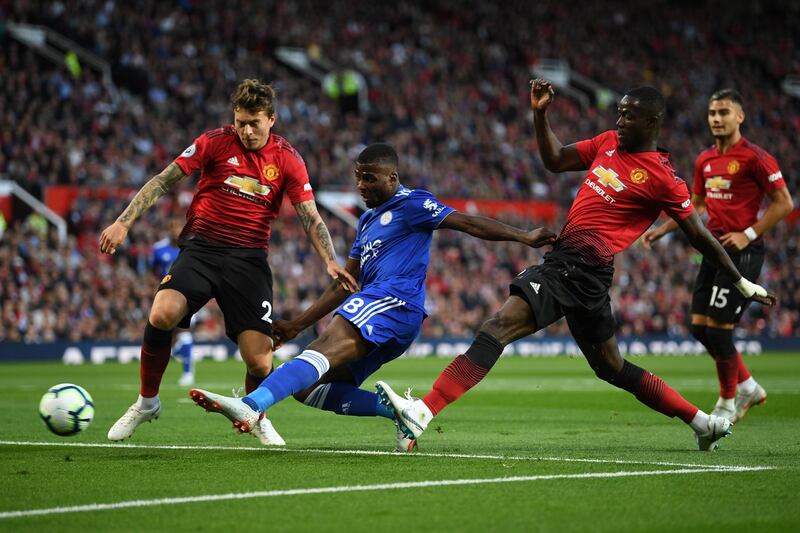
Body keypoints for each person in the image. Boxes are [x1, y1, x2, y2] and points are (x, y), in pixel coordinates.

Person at [377, 79, 776, 452]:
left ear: (652, 122)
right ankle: (702, 422)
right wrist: (540, 115)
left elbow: (699, 235)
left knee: (497, 328)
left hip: (582, 270)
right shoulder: (606, 144)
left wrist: (740, 281)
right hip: (573, 267)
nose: (618, 121)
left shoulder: (663, 178)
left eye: (628, 115)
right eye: (618, 112)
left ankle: (422, 412)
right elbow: (555, 159)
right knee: (612, 367)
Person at [187, 142, 556, 451]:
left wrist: (523, 237)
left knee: (322, 350)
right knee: (313, 388)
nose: (361, 185)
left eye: (369, 177)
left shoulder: (413, 204)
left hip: (394, 302)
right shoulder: (365, 223)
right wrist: (297, 324)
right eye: (358, 177)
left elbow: (470, 223)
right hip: (387, 315)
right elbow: (345, 283)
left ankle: (251, 406)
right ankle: (404, 412)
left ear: (391, 177)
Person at [100, 79, 358, 445]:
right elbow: (163, 180)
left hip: (249, 261)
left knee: (260, 362)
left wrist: (330, 261)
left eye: (254, 122)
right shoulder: (214, 142)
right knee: (161, 314)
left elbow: (310, 216)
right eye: (240, 122)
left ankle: (255, 412)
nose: (247, 130)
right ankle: (146, 402)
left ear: (272, 119)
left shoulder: (288, 159)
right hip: (202, 250)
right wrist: (124, 221)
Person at [642, 89, 793, 422]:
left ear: (740, 116)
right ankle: (750, 386)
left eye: (724, 112)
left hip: (744, 252)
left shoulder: (756, 157)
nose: (716, 118)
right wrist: (662, 229)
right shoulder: (704, 159)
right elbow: (694, 206)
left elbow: (784, 203)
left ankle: (727, 402)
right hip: (714, 249)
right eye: (712, 113)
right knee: (698, 327)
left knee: (720, 330)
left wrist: (748, 233)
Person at [152, 219, 196, 387]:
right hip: (165, 295)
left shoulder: (191, 247)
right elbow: (152, 272)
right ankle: (176, 354)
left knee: (184, 331)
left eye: (179, 227)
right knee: (168, 334)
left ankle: (188, 373)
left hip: (188, 294)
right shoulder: (158, 249)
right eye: (173, 227)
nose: (176, 230)